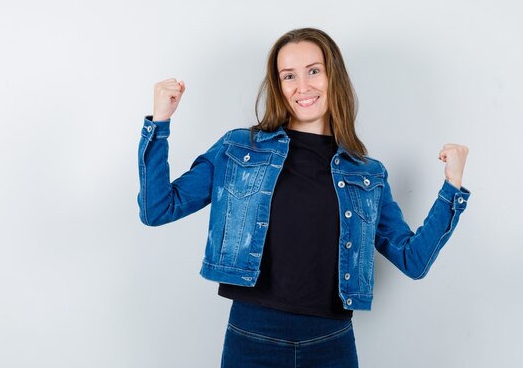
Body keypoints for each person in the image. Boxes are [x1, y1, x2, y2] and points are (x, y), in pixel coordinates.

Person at [137, 27, 470, 368]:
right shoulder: (238, 149)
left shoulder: (367, 174)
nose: (303, 87)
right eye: (288, 76)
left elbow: (413, 260)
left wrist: (452, 189)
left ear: (332, 76)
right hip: (252, 338)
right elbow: (158, 208)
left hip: (331, 343)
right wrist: (159, 123)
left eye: (313, 71)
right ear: (279, 87)